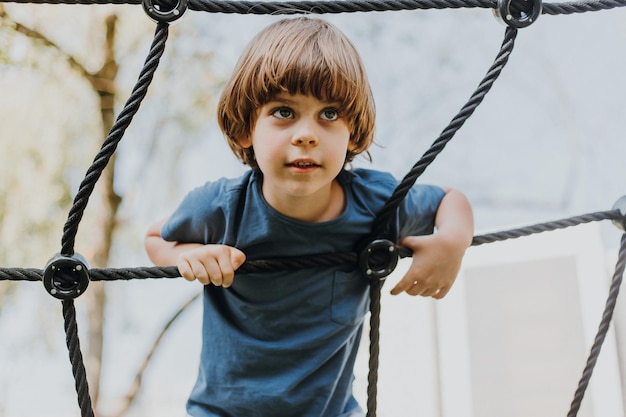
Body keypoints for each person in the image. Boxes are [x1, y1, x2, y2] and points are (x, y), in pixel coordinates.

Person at [145, 17, 473, 417]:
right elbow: (156, 238)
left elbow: (450, 200)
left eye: (330, 114)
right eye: (284, 111)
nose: (307, 134)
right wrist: (184, 256)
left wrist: (453, 241)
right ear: (248, 127)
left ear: (352, 134)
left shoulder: (375, 203)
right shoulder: (221, 206)